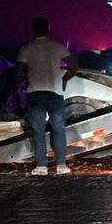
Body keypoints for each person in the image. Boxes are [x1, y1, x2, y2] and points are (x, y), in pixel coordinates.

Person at [16, 16, 76, 175]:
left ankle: (41, 166)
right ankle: (61, 165)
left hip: (35, 93)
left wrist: (20, 83)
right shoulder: (57, 46)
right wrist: (64, 79)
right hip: (55, 93)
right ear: (48, 29)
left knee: (38, 130)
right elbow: (73, 66)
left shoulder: (27, 48)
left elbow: (19, 70)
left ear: (33, 30)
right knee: (58, 129)